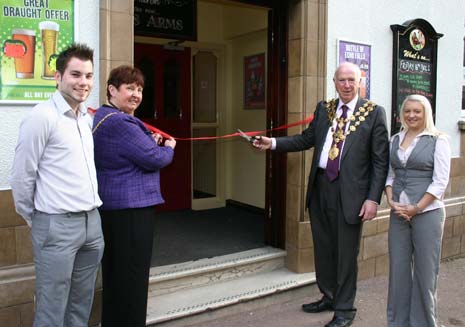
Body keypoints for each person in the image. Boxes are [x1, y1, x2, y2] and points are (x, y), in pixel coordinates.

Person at [253, 62, 389, 327]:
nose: (347, 85)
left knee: (346, 253)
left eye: (352, 80)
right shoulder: (324, 109)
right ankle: (329, 296)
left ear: (360, 81)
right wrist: (274, 143)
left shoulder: (374, 113)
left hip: (352, 195)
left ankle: (345, 309)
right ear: (334, 82)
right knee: (324, 249)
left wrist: (373, 199)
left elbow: (380, 161)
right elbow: (306, 140)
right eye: (342, 80)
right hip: (321, 188)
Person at [10, 43, 104, 327]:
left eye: (88, 76)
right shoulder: (42, 117)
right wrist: (36, 217)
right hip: (56, 225)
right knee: (52, 308)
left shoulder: (86, 118)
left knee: (81, 303)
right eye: (76, 74)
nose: (83, 82)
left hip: (92, 223)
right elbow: (22, 176)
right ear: (58, 76)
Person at [92, 65, 176, 327]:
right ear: (112, 90)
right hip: (131, 211)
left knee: (118, 278)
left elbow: (131, 152)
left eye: (139, 89)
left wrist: (147, 142)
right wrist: (169, 148)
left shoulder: (105, 117)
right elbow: (153, 158)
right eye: (129, 88)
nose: (136, 94)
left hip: (116, 210)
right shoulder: (120, 121)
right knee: (132, 280)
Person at [385, 94, 451, 327]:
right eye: (407, 111)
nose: (412, 115)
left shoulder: (438, 140)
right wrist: (391, 200)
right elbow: (391, 174)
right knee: (398, 273)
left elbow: (440, 181)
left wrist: (417, 208)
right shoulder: (394, 139)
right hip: (398, 214)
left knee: (425, 274)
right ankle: (398, 323)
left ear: (426, 114)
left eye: (417, 111)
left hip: (427, 214)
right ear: (402, 114)